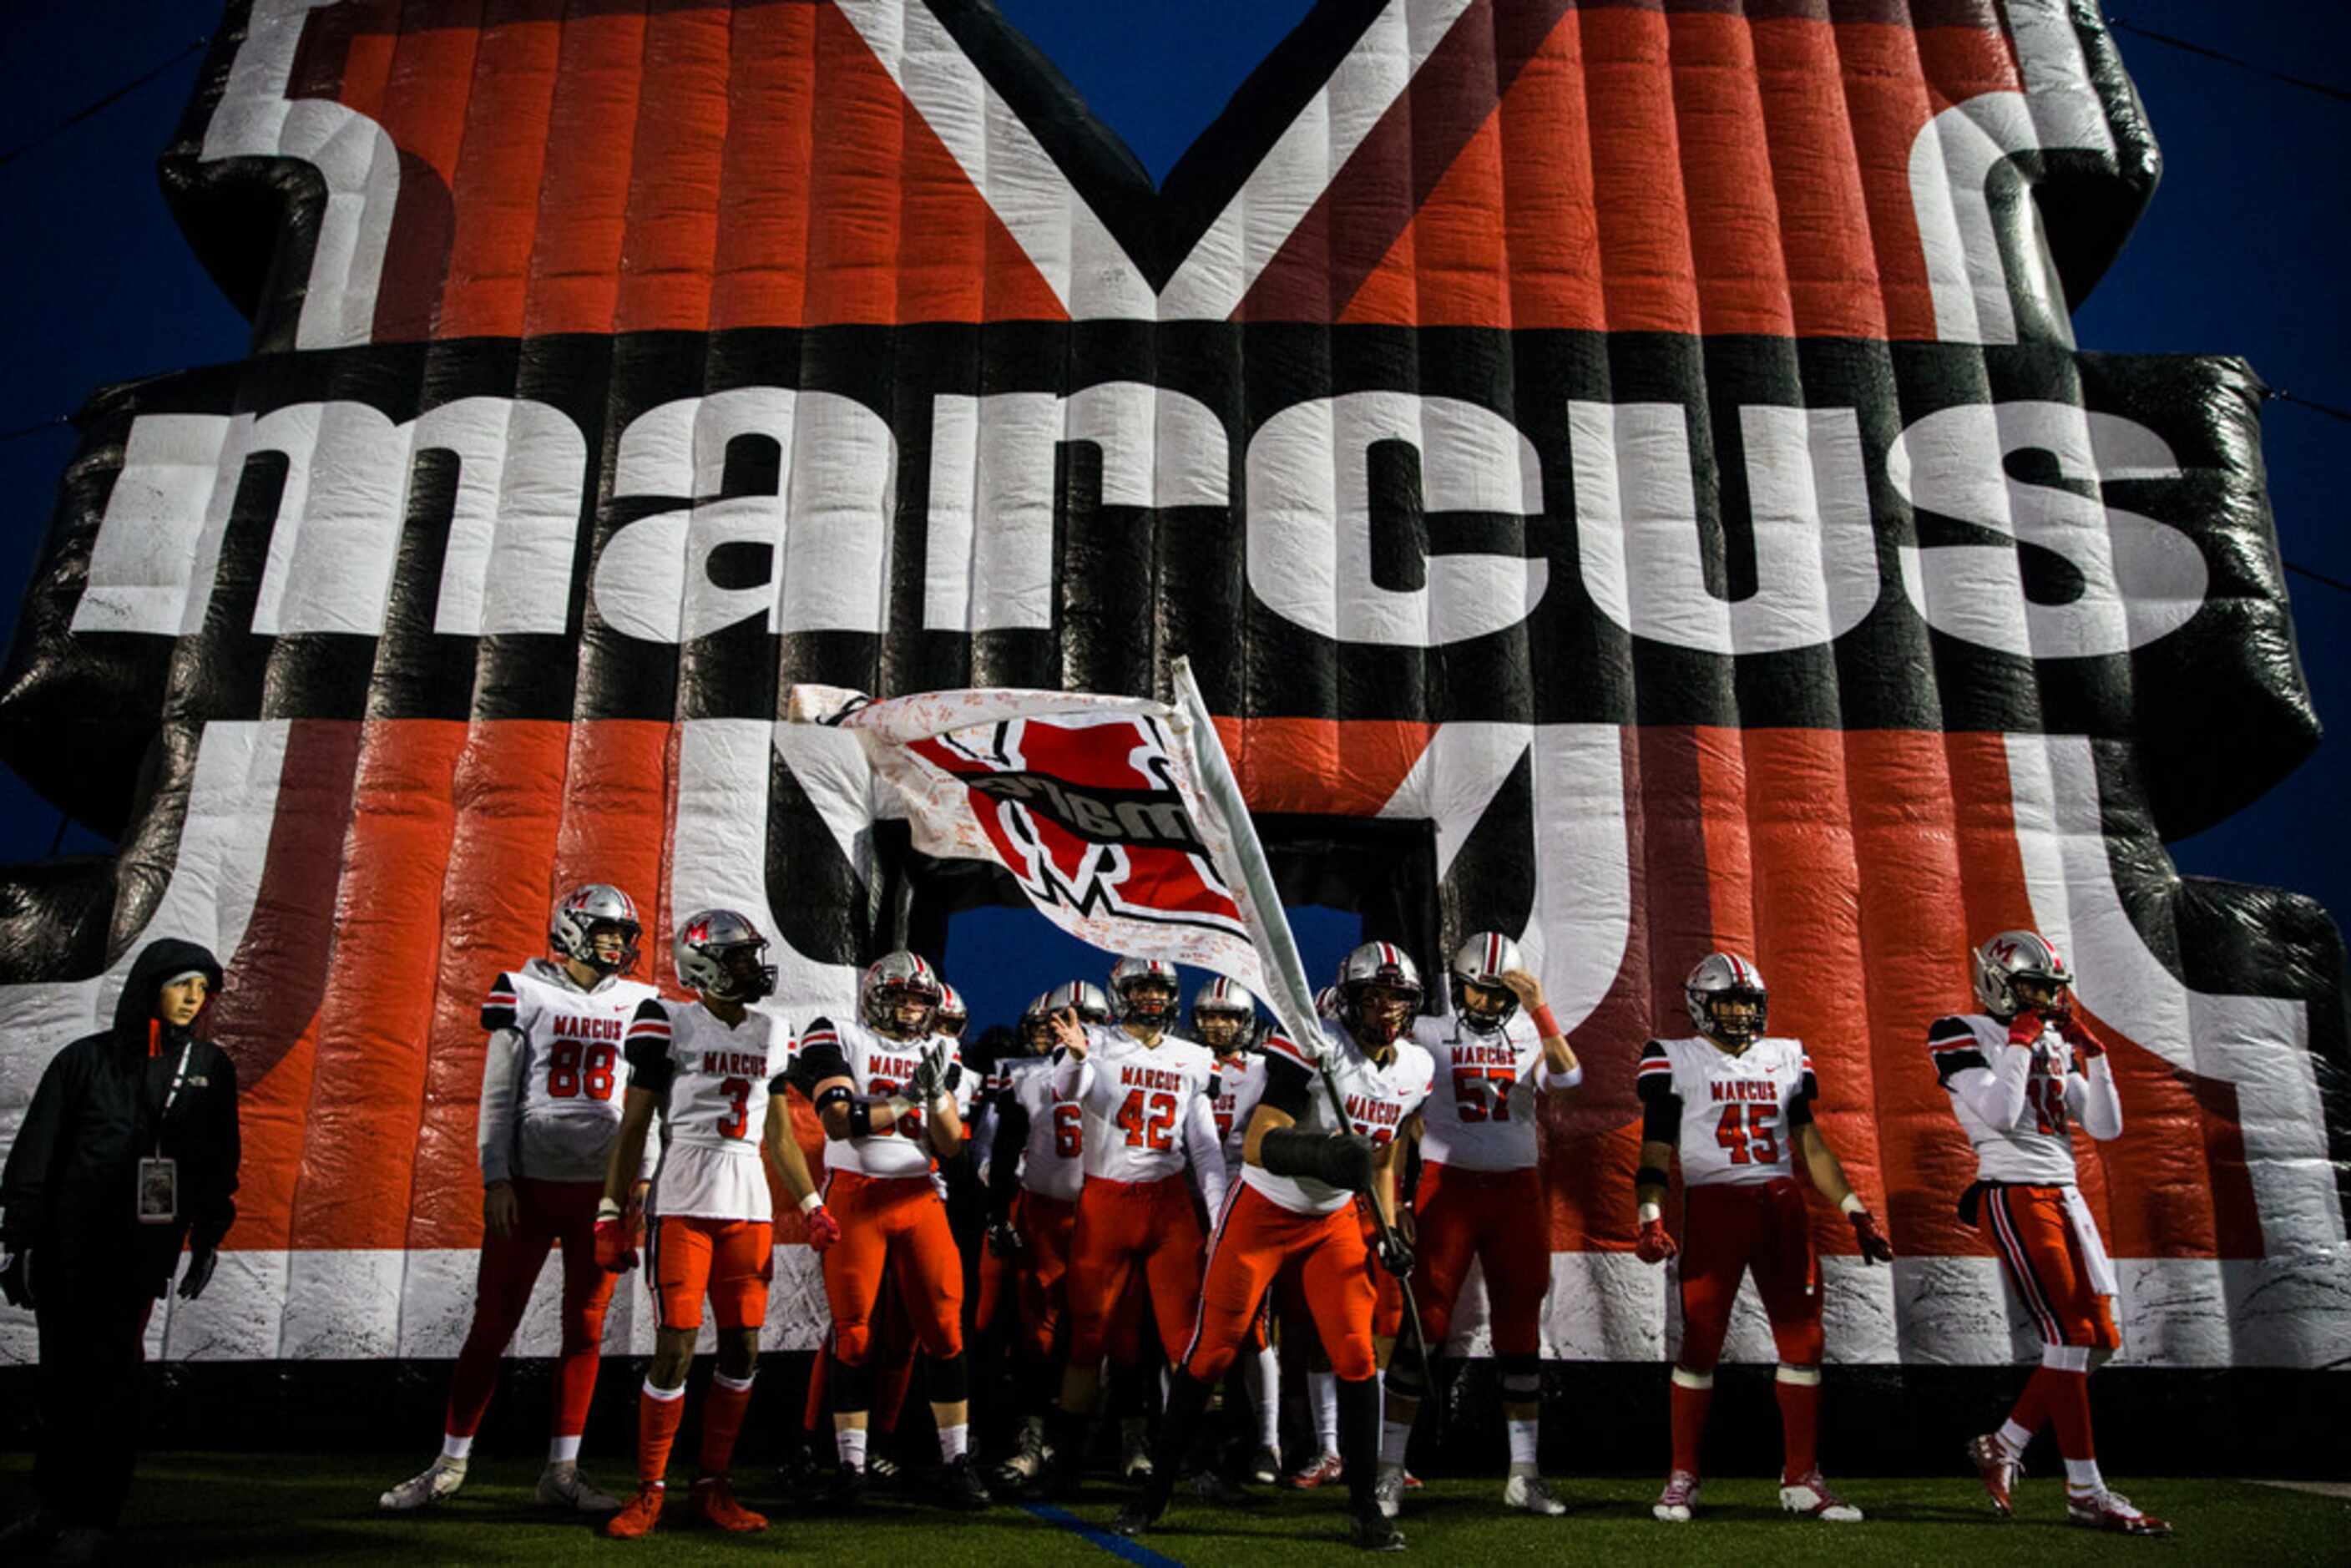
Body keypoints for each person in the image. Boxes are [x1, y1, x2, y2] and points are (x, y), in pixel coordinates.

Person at [1115, 941, 1433, 1553]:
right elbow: (1261, 1142)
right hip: (1264, 1209)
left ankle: (1365, 1505)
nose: (1388, 1007)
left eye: (1398, 996)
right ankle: (1152, 1495)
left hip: (1335, 1220)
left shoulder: (1417, 1066)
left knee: (1357, 1355)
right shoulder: (1316, 1048)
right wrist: (1325, 1153)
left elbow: (1386, 1155)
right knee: (1209, 1352)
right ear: (1350, 999)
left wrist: (1387, 1227)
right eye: (1375, 994)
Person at [379, 884, 659, 1515]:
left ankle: (562, 1471)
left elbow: (650, 1100)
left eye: (623, 934)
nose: (617, 943)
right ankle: (450, 1462)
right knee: (492, 1323)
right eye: (605, 930)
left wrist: (642, 1177)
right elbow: (498, 1093)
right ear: (568, 929)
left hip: (603, 1192)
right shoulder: (523, 988)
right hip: (529, 1187)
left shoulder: (643, 1001)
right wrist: (494, 1178)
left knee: (585, 1330)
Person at [1634, 952, 1893, 1525]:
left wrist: (1855, 1210)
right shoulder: (1673, 1058)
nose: (1737, 1014)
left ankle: (1802, 1477)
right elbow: (1655, 1151)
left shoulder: (1785, 1056)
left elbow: (1812, 1145)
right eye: (1726, 1002)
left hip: (1781, 1206)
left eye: (1747, 1004)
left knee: (1804, 1341)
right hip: (1714, 1206)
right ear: (1701, 1004)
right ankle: (1683, 1476)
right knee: (1700, 1340)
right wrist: (1649, 1216)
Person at [0, 938, 238, 1562]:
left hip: (137, 1252)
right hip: (65, 1245)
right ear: (149, 986)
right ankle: (50, 1508)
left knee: (110, 1382)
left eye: (202, 988)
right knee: (59, 1384)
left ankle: (93, 1517)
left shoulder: (211, 1068)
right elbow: (38, 1151)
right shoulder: (84, 1061)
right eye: (182, 983)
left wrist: (208, 1236)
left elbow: (217, 1162)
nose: (194, 998)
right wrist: (18, 1240)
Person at [599, 910, 829, 1539]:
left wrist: (811, 1205)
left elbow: (778, 1133)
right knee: (675, 1345)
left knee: (744, 1348)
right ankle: (649, 1489)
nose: (753, 968)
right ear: (704, 965)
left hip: (748, 1205)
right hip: (681, 1199)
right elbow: (635, 1123)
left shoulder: (772, 1030)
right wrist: (612, 1210)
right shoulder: (667, 1019)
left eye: (752, 956)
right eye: (739, 958)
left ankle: (712, 1486)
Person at [1940, 931, 2168, 1536]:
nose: (2042, 1000)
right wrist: (2018, 1044)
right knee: (2069, 1334)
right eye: (2031, 987)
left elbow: (2106, 1126)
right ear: (1996, 981)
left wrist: (2096, 1058)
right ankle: (2085, 1490)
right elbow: (2000, 1113)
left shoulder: (2044, 1039)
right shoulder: (1959, 1031)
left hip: (2065, 1194)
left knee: (2099, 1339)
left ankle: (2005, 1442)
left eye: (2049, 990)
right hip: (2013, 1191)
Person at [1378, 932, 1583, 1517]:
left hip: (1516, 1191)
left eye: (1500, 994)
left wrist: (1539, 1006)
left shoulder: (1527, 1031)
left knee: (1520, 1329)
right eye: (1480, 991)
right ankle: (1390, 1469)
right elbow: (1398, 1120)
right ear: (1459, 983)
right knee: (1426, 1326)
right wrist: (1395, 1206)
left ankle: (1524, 1474)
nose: (1489, 1004)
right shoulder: (1429, 1032)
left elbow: (1569, 1079)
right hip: (1450, 1189)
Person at [786, 951, 992, 1509]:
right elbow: (839, 1119)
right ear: (878, 994)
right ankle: (850, 1467)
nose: (910, 1008)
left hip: (919, 1195)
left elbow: (950, 1144)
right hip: (856, 1195)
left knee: (945, 1326)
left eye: (920, 1000)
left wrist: (931, 1097)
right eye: (902, 996)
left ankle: (956, 1460)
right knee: (853, 1333)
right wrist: (904, 1097)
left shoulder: (940, 1049)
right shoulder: (835, 1033)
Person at [1042, 958, 1226, 1494]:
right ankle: (1068, 1462)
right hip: (1107, 1201)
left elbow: (1205, 1146)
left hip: (1169, 1205)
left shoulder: (1194, 1056)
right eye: (1141, 988)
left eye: (1159, 989)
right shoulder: (1093, 1042)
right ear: (1121, 994)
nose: (1151, 998)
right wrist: (1077, 1057)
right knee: (1088, 1337)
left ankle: (1200, 1462)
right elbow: (1065, 1092)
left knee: (1188, 1339)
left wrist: (1217, 1217)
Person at [978, 992, 1086, 1491]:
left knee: (1103, 1331)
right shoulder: (1025, 1075)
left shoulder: (1122, 1070)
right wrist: (998, 1209)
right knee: (1031, 1330)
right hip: (1042, 1206)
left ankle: (1092, 1444)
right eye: (1049, 1025)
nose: (1058, 1034)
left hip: (1102, 1210)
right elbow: (1000, 1144)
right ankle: (1031, 1437)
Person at [1191, 977, 1283, 1486]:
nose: (1219, 1025)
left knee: (1258, 1332)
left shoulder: (1266, 1069)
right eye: (1210, 1016)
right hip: (1189, 1205)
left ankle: (1268, 1441)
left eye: (1229, 1016)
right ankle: (1185, 1438)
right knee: (1188, 1327)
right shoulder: (1183, 1060)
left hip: (1251, 1203)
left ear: (1246, 1023)